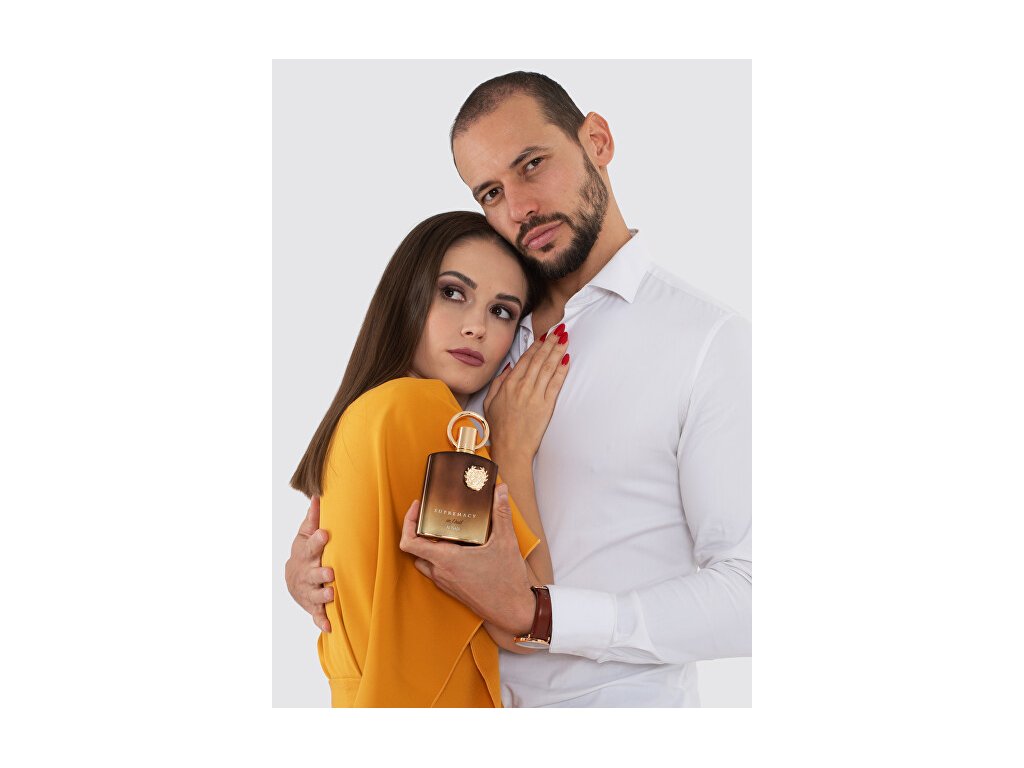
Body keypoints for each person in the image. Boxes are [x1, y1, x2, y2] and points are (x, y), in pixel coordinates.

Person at [287, 72, 752, 707]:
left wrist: (546, 615)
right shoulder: (470, 346)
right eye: (491, 192)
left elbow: (753, 595)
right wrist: (315, 569)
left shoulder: (708, 342)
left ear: (597, 140)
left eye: (532, 164)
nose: (519, 208)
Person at [288, 210, 571, 706]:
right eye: (453, 293)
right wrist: (511, 447)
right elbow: (523, 619)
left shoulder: (366, 415)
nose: (476, 327)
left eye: (502, 311)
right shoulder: (420, 410)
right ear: (407, 295)